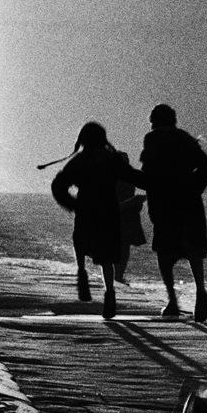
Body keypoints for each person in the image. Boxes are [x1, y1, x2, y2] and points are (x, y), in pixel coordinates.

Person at [50, 122, 141, 317]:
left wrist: (72, 204)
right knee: (106, 257)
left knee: (81, 242)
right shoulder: (111, 159)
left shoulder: (79, 161)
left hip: (86, 210)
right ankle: (109, 293)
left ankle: (81, 273)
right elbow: (133, 176)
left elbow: (58, 185)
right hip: (108, 210)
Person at [139, 104, 207, 321]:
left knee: (165, 252)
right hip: (189, 202)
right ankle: (201, 291)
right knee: (192, 249)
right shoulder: (186, 139)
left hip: (164, 203)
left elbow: (149, 171)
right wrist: (193, 188)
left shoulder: (152, 139)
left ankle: (172, 300)